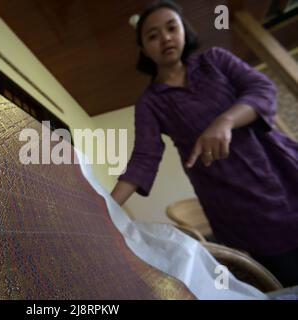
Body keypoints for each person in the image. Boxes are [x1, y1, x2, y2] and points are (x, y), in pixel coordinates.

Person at [111, 0, 298, 287]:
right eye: (152, 35)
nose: (165, 38)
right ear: (144, 49)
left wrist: (225, 121)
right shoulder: (150, 103)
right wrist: (107, 208)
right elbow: (144, 157)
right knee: (280, 277)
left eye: (171, 28)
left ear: (184, 31)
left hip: (280, 169)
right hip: (232, 201)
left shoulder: (216, 59)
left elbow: (262, 89)